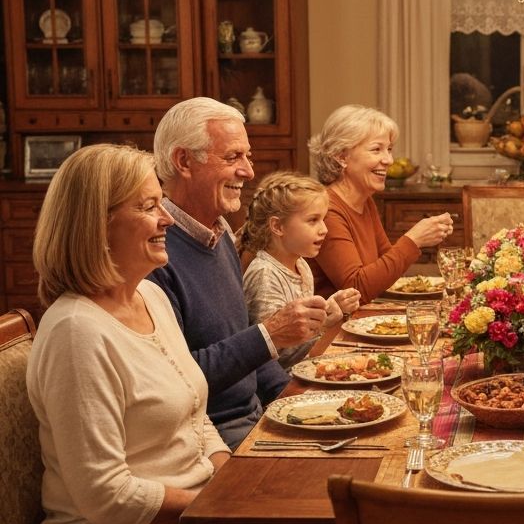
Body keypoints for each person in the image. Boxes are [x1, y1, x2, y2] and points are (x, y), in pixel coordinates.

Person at [26, 144, 343, 524]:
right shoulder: (76, 334)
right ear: (97, 223)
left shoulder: (148, 298)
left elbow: (197, 415)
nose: (166, 217)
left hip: (187, 514)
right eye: (149, 206)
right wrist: (217, 506)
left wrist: (231, 477)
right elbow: (105, 497)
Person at [150, 97, 329, 449]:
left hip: (254, 415)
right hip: (211, 435)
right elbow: (178, 379)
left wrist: (294, 401)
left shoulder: (219, 236)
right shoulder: (155, 254)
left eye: (247, 156)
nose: (248, 171)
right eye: (232, 157)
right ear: (184, 161)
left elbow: (246, 347)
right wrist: (269, 334)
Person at [308, 104, 454, 302]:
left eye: (389, 149)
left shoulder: (365, 201)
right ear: (342, 157)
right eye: (376, 149)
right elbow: (356, 288)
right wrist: (414, 239)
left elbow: (385, 270)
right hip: (332, 320)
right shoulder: (327, 210)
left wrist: (423, 238)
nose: (389, 160)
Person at [238, 170, 360, 368]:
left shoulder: (301, 265)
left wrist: (327, 314)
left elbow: (303, 346)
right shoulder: (265, 275)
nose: (324, 229)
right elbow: (274, 357)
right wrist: (324, 325)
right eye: (313, 220)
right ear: (278, 226)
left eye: (323, 219)